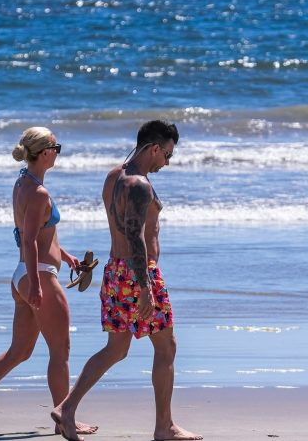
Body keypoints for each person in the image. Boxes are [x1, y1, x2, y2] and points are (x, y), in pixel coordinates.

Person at [51, 120, 202, 441]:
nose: (168, 162)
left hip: (115, 272)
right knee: (166, 346)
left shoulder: (113, 176)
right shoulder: (139, 185)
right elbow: (135, 235)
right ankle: (165, 427)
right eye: (168, 155)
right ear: (154, 148)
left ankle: (66, 408)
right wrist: (145, 286)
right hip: (138, 274)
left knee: (116, 349)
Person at [0, 127, 97, 436]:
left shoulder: (24, 182)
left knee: (19, 351)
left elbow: (39, 234)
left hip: (25, 274)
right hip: (39, 275)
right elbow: (30, 240)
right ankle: (65, 417)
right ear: (45, 152)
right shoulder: (38, 191)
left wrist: (67, 257)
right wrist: (35, 284)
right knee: (61, 352)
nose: (58, 152)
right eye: (56, 146)